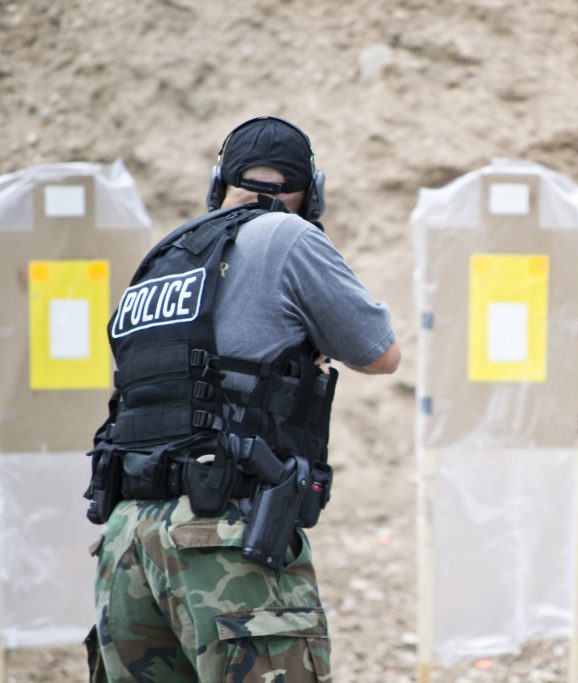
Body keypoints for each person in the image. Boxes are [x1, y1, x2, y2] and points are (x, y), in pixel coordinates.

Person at [84, 116, 400, 682]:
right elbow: (380, 353)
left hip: (126, 537)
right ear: (313, 191)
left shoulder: (164, 258)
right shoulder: (290, 236)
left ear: (218, 182)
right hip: (220, 535)